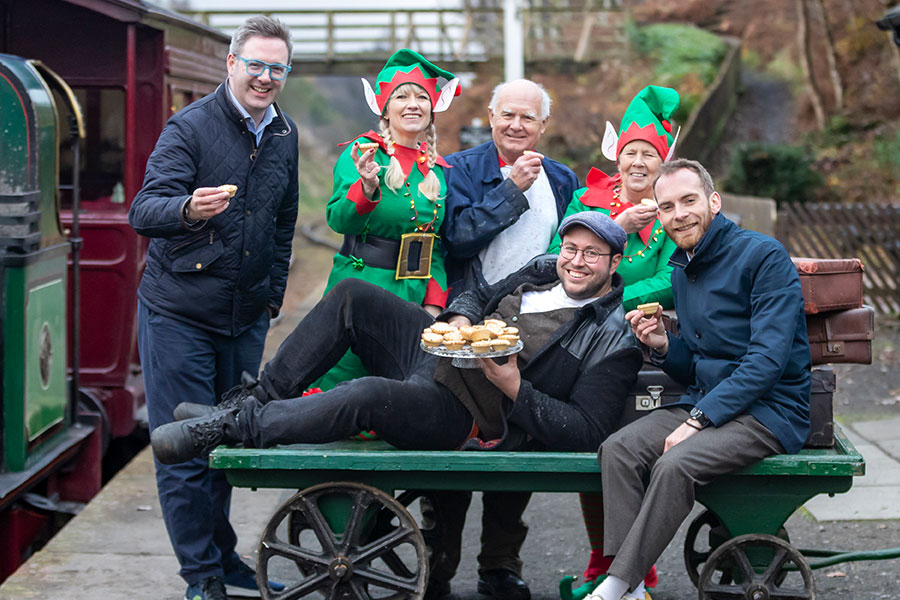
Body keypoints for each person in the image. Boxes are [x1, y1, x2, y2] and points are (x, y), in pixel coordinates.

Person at [149, 209, 640, 469]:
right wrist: (461, 320)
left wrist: (514, 387)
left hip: (465, 411)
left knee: (367, 395)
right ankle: (253, 400)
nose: (575, 261)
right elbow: (477, 294)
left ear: (614, 263)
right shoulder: (539, 273)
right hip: (441, 352)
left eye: (591, 255)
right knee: (351, 295)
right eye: (571, 249)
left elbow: (587, 431)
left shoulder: (611, 338)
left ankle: (233, 427)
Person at [128, 15, 298, 600]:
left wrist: (272, 298)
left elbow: (283, 223)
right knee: (183, 448)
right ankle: (200, 578)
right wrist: (186, 210)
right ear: (232, 64)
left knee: (226, 443)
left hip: (244, 318)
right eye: (256, 64)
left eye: (278, 68)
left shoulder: (284, 135)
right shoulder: (190, 128)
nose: (266, 77)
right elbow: (143, 210)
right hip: (179, 314)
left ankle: (223, 561)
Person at [587, 159, 811, 600]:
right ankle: (629, 586)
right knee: (618, 449)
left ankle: (613, 589)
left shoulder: (763, 256)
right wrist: (665, 345)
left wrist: (698, 419)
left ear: (713, 201)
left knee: (676, 464)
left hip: (770, 411)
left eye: (688, 201)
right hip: (708, 401)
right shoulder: (680, 270)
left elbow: (766, 360)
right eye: (667, 207)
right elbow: (699, 363)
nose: (679, 214)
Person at [434, 78, 580, 600]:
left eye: (528, 118)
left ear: (543, 125)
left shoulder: (561, 178)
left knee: (518, 435)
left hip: (529, 325)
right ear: (491, 116)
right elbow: (456, 237)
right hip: (465, 319)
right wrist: (509, 190)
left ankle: (500, 564)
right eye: (507, 115)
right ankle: (439, 564)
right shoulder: (461, 169)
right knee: (451, 432)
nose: (516, 125)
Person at [547, 85, 681, 599]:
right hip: (584, 339)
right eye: (631, 152)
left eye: (650, 153)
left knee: (633, 453)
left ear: (663, 158)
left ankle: (637, 568)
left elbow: (675, 273)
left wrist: (616, 295)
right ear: (615, 154)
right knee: (592, 447)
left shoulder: (673, 207)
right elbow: (559, 257)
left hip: (645, 340)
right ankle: (599, 558)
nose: (639, 161)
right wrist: (614, 226)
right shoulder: (589, 199)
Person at [314, 49, 459, 392]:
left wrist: (433, 304)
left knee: (396, 393)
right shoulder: (364, 152)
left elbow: (433, 245)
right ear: (385, 107)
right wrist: (366, 186)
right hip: (362, 288)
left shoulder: (437, 168)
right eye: (402, 96)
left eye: (422, 96)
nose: (413, 104)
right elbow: (338, 219)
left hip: (413, 295)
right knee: (343, 385)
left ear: (433, 107)